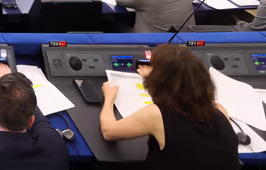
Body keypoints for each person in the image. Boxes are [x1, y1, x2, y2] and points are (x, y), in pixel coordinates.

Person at [100, 44, 239, 169]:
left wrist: (109, 99)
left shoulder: (157, 115)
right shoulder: (219, 110)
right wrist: (156, 77)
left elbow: (108, 131)